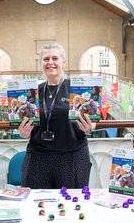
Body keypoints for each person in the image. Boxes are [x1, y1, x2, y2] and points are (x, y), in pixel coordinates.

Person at [18, 43, 96, 189]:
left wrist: (90, 127)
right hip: (38, 157)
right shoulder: (32, 93)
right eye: (46, 59)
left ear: (63, 62)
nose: (50, 62)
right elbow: (23, 120)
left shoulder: (76, 90)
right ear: (41, 64)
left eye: (55, 58)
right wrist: (23, 132)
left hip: (71, 156)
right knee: (37, 204)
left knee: (70, 205)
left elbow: (95, 118)